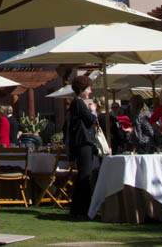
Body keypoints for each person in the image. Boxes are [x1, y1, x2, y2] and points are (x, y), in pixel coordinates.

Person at [64, 75, 97, 217]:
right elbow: (90, 120)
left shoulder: (76, 104)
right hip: (83, 143)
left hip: (81, 143)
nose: (90, 91)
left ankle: (78, 208)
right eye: (88, 88)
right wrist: (93, 110)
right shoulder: (78, 103)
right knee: (85, 176)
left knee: (83, 175)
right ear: (82, 89)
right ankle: (83, 208)